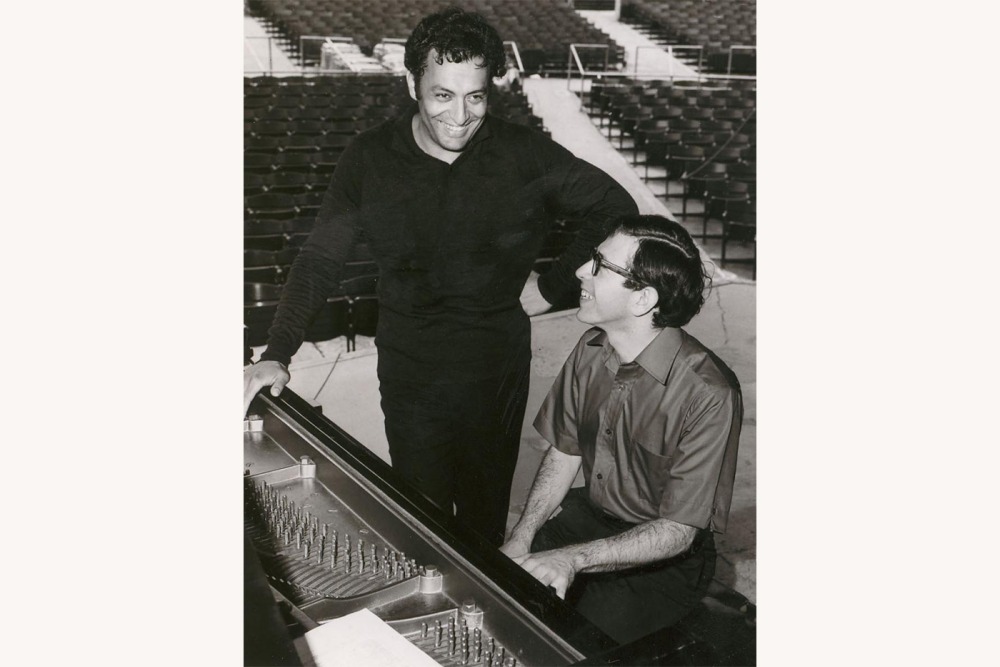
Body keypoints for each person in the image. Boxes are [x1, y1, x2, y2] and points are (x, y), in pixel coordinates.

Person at [243, 7, 638, 547]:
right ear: (411, 84)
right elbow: (319, 259)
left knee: (482, 522)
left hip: (494, 367)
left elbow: (613, 206)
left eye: (475, 96)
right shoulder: (369, 159)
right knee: (420, 520)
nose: (459, 115)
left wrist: (551, 288)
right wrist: (277, 352)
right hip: (412, 367)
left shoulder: (522, 152)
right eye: (442, 96)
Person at [500, 214, 742, 644]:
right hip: (587, 521)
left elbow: (676, 532)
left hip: (661, 559)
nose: (579, 271)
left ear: (642, 299)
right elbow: (563, 453)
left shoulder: (709, 392)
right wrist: (522, 537)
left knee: (565, 641)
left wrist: (569, 560)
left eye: (599, 264)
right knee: (496, 588)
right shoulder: (590, 347)